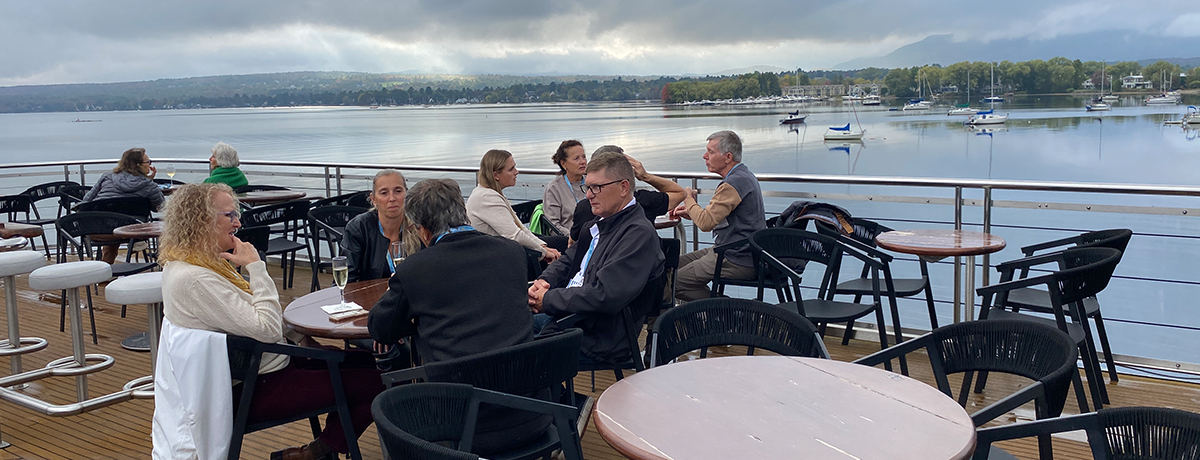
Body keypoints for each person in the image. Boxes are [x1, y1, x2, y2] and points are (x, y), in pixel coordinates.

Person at [158, 183, 382, 460]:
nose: (238, 222)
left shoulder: (196, 263)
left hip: (263, 366)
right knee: (375, 382)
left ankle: (326, 445)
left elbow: (251, 311)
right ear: (201, 220)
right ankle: (317, 452)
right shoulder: (194, 279)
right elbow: (266, 328)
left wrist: (303, 340)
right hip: (253, 386)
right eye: (230, 215)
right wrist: (256, 267)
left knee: (364, 361)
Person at [368, 178, 547, 455]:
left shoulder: (416, 270)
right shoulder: (512, 253)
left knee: (385, 405)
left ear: (423, 231)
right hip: (534, 413)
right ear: (462, 211)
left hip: (459, 426)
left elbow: (381, 328)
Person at [528, 152, 664, 364]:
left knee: (512, 357)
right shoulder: (598, 225)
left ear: (623, 187)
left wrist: (549, 300)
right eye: (587, 187)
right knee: (503, 329)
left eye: (596, 188)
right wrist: (544, 282)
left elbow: (604, 295)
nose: (589, 195)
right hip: (573, 317)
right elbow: (567, 260)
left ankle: (563, 397)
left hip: (598, 337)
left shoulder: (638, 235)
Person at [670, 130, 766, 302]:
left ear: (728, 157)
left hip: (735, 258)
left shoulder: (733, 183)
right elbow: (721, 218)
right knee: (670, 265)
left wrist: (687, 197)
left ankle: (730, 312)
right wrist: (692, 212)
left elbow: (706, 223)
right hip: (738, 251)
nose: (704, 156)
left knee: (671, 283)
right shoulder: (744, 175)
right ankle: (722, 310)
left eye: (711, 152)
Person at [569, 146, 686, 244]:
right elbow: (680, 193)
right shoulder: (644, 201)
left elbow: (572, 243)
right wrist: (645, 176)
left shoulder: (583, 207)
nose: (590, 195)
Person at [466, 149, 561, 268]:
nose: (517, 172)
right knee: (563, 250)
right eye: (511, 169)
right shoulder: (486, 197)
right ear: (496, 175)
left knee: (561, 243)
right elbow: (514, 235)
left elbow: (520, 227)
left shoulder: (492, 193)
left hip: (506, 251)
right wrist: (544, 253)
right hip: (499, 261)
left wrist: (542, 247)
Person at [81, 147, 166, 263]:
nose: (150, 165)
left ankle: (105, 272)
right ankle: (138, 247)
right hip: (131, 231)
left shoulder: (107, 177)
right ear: (138, 165)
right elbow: (161, 207)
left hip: (97, 230)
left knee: (113, 220)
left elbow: (86, 200)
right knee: (123, 221)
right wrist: (149, 183)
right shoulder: (148, 185)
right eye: (148, 162)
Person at [339, 169, 421, 283]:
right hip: (371, 297)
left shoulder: (419, 225)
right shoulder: (359, 228)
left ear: (406, 194)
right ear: (373, 199)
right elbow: (348, 279)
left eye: (398, 191)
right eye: (384, 193)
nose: (392, 198)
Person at [543, 140, 587, 235]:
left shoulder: (592, 182)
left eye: (584, 157)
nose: (583, 162)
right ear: (564, 164)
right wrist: (574, 237)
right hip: (570, 240)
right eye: (576, 159)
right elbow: (553, 226)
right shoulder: (554, 188)